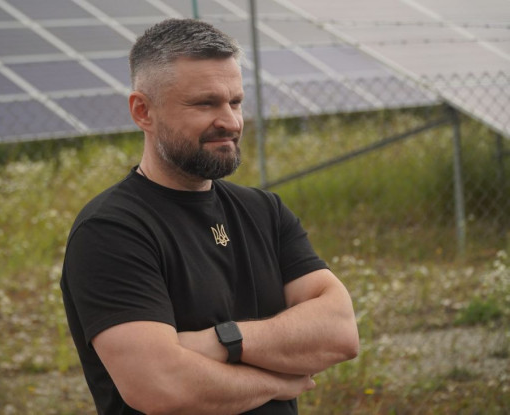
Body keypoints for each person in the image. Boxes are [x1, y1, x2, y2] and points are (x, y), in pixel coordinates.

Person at [61, 18, 359, 415]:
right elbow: (161, 387)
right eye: (205, 104)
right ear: (143, 111)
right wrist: (277, 383)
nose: (231, 122)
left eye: (235, 102)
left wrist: (222, 341)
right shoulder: (111, 231)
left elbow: (340, 331)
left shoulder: (264, 211)